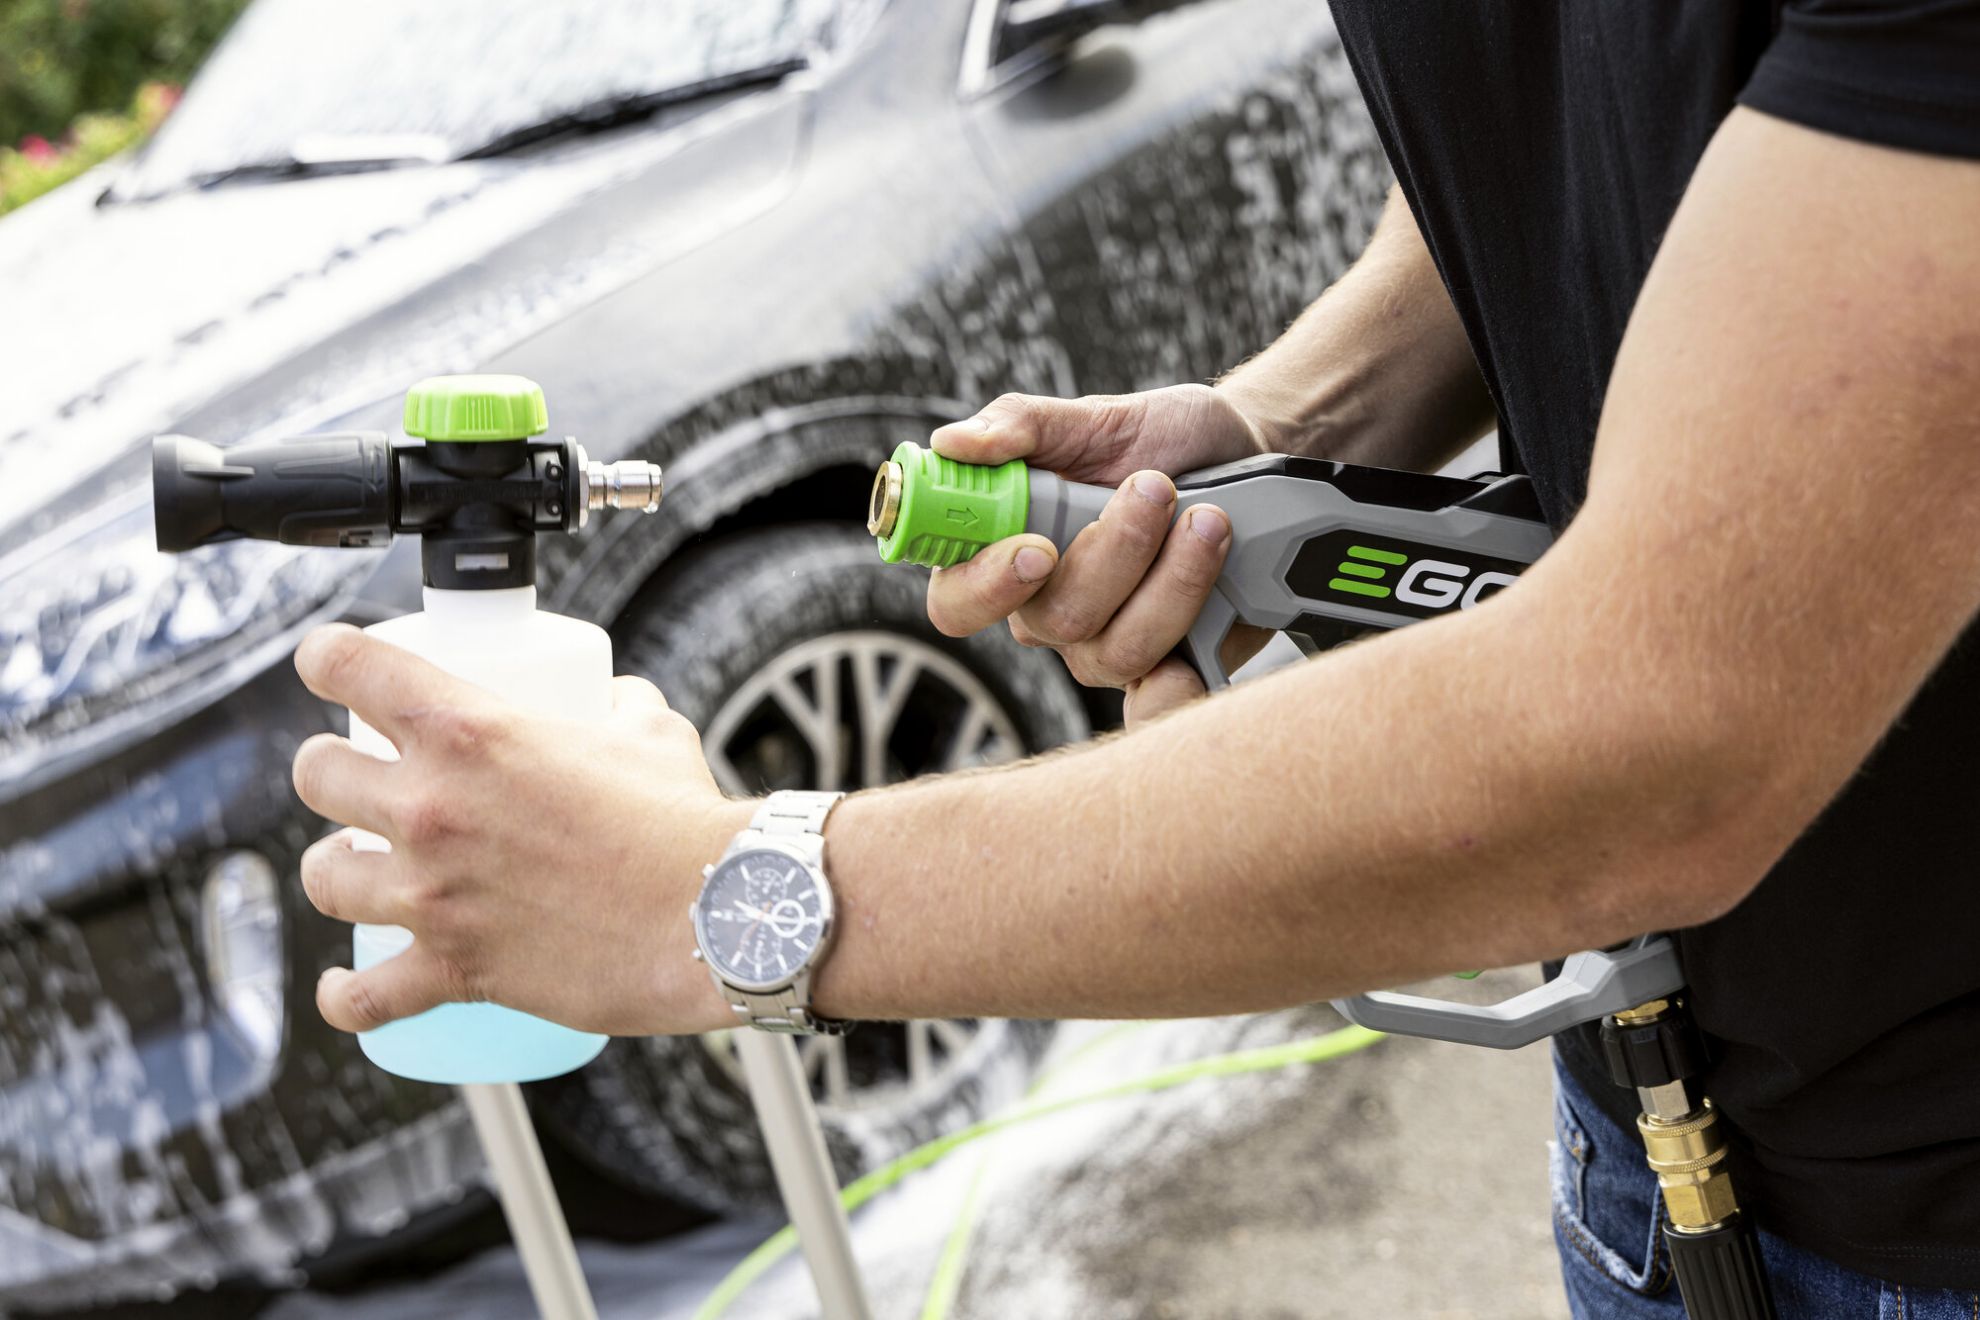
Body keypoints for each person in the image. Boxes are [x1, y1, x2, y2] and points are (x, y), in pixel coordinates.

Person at [284, 3, 1980, 1314]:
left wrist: (720, 897)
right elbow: (1628, 93)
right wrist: (1286, 423)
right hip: (1663, 1123)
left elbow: (1660, 740)